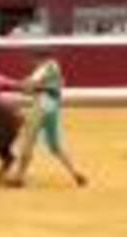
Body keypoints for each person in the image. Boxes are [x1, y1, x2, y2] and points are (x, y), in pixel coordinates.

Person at [7, 49, 88, 188]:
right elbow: (57, 85)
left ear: (40, 59)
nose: (33, 64)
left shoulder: (42, 68)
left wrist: (23, 85)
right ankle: (76, 173)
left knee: (27, 141)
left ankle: (19, 178)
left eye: (34, 61)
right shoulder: (56, 67)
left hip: (41, 105)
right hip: (54, 107)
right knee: (55, 145)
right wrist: (31, 86)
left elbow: (30, 86)